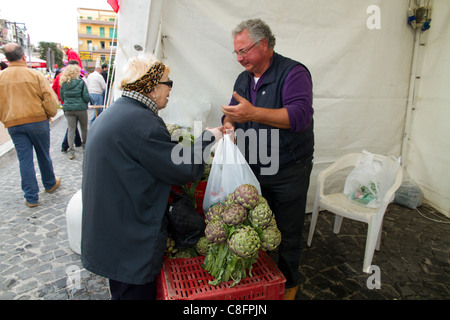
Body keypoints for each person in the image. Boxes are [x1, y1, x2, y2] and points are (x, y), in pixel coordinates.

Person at [81, 54, 223, 300]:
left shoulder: (118, 112)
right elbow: (183, 169)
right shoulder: (142, 124)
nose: (170, 90)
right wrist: (208, 137)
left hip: (112, 227)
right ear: (153, 87)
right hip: (127, 238)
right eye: (168, 83)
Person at [221, 19, 314, 300]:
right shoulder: (243, 79)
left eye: (244, 51)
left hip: (288, 168)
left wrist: (252, 114)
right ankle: (261, 281)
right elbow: (234, 112)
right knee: (255, 226)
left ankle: (288, 287)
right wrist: (228, 124)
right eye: (236, 53)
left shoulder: (294, 72)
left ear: (264, 44)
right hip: (254, 166)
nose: (239, 58)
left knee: (287, 232)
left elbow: (299, 117)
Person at [0, 43, 61, 207]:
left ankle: (31, 196)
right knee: (43, 154)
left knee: (24, 159)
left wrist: (6, 118)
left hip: (14, 122)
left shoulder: (1, 77)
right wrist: (50, 114)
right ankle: (49, 183)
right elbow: (49, 99)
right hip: (37, 120)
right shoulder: (35, 75)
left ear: (7, 59)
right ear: (23, 56)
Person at [59, 64, 90, 160]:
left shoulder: (64, 83)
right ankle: (85, 147)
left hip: (69, 109)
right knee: (84, 128)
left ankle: (71, 150)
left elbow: (62, 97)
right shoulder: (81, 82)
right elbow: (86, 97)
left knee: (71, 129)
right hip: (81, 108)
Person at [53, 60, 83, 152]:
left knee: (72, 123)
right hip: (74, 104)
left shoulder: (59, 77)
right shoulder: (74, 78)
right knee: (72, 125)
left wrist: (59, 98)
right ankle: (65, 145)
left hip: (64, 103)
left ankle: (77, 141)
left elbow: (54, 88)